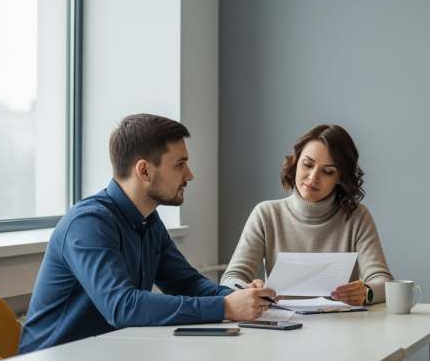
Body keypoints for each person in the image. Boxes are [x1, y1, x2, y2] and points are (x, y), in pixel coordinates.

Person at [19, 114, 275, 354]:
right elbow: (122, 306)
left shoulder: (149, 221)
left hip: (107, 352)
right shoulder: (89, 224)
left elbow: (186, 283)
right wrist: (225, 307)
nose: (189, 175)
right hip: (56, 356)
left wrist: (238, 298)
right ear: (144, 171)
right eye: (179, 164)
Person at [221, 124, 393, 306]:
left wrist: (367, 292)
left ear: (340, 177)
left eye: (327, 171)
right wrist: (248, 289)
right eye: (307, 165)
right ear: (296, 162)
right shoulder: (266, 214)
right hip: (280, 321)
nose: (313, 178)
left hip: (341, 321)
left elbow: (383, 280)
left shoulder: (357, 217)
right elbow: (232, 277)